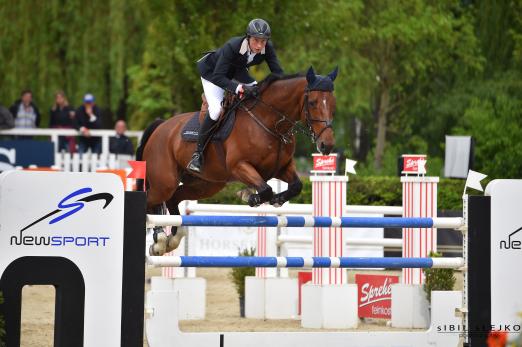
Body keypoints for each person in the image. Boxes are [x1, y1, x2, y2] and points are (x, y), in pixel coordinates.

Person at [187, 18, 284, 173]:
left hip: (236, 71)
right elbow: (219, 76)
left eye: (263, 41)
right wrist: (240, 89)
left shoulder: (267, 48)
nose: (260, 46)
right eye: (256, 40)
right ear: (248, 37)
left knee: (259, 97)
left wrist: (266, 87)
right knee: (216, 111)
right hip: (212, 74)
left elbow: (278, 73)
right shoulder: (233, 46)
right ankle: (197, 154)